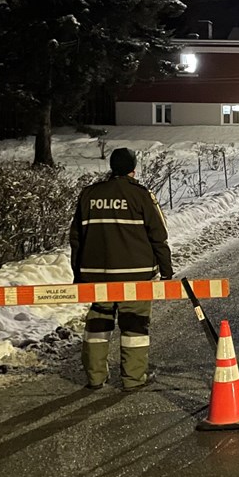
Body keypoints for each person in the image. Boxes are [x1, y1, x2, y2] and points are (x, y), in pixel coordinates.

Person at [69, 147, 174, 391]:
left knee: (98, 324)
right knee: (134, 326)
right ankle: (133, 378)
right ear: (133, 169)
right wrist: (166, 270)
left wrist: (79, 274)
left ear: (111, 167)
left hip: (95, 274)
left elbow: (76, 238)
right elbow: (159, 234)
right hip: (135, 274)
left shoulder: (89, 194)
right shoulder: (142, 195)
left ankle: (95, 376)